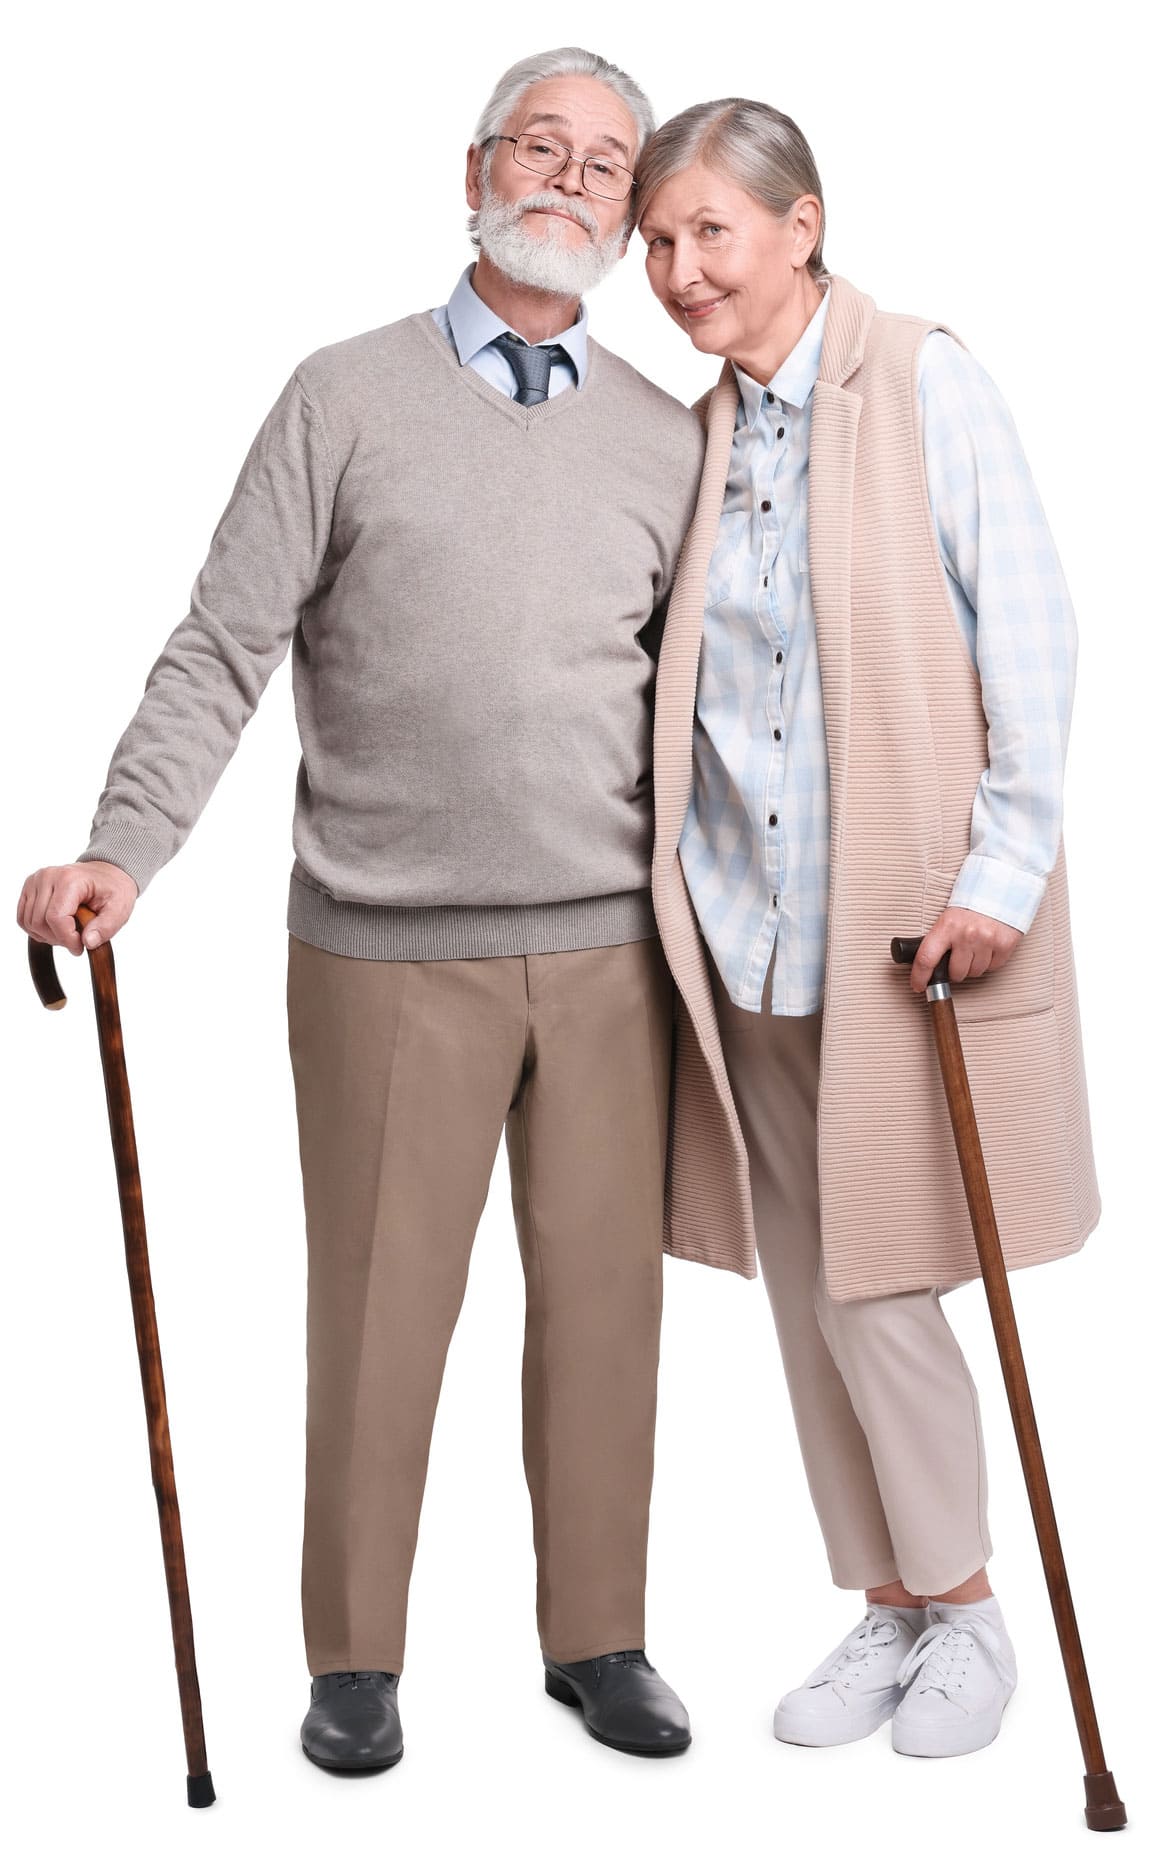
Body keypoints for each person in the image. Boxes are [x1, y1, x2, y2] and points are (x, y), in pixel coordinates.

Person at [15, 47, 704, 1770]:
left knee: (607, 1309)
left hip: (617, 950)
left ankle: (597, 1636)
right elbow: (222, 642)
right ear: (469, 170)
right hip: (389, 951)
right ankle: (354, 1660)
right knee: (384, 1307)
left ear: (627, 214)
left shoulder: (661, 439)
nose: (568, 179)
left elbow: (724, 700)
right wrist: (126, 842)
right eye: (538, 146)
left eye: (604, 164)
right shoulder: (340, 395)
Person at [633, 97, 1097, 1759]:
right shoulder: (694, 433)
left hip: (897, 933)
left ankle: (964, 1608)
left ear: (799, 225)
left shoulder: (916, 380)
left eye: (712, 234)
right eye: (659, 243)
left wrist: (1000, 874)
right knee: (805, 1289)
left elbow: (1029, 631)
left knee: (882, 1281)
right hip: (741, 938)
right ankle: (886, 1602)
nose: (681, 271)